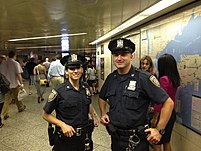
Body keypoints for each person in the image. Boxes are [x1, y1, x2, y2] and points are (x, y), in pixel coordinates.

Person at [98, 38, 174, 151]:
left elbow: (169, 103)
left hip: (136, 141)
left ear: (131, 56)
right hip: (116, 138)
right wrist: (103, 113)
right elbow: (101, 97)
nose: (119, 58)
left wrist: (159, 130)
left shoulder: (144, 78)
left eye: (123, 54)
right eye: (116, 55)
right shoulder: (111, 78)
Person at [42, 53, 99, 151]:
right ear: (66, 71)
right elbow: (45, 115)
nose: (76, 71)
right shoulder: (59, 91)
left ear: (82, 69)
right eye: (72, 69)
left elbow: (88, 102)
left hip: (84, 136)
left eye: (78, 68)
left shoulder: (85, 87)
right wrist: (62, 125)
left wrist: (93, 115)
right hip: (66, 139)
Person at [151, 54, 181, 151]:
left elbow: (160, 101)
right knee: (166, 141)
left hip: (162, 114)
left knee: (156, 142)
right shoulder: (174, 79)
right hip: (171, 113)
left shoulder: (164, 79)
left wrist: (155, 117)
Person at [0, 51, 26, 120]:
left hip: (5, 85)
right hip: (14, 83)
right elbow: (18, 74)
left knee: (6, 100)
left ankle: (3, 114)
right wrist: (21, 83)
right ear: (14, 56)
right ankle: (20, 107)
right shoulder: (15, 63)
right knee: (17, 96)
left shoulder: (3, 63)